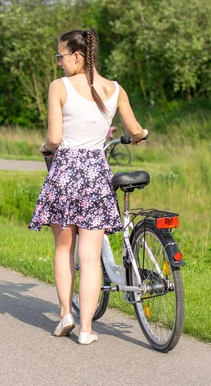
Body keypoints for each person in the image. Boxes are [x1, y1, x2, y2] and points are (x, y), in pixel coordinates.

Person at [28, 29, 148, 345]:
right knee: (92, 258)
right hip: (96, 173)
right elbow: (134, 130)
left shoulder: (60, 87)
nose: (58, 63)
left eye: (60, 56)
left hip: (65, 172)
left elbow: (54, 139)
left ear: (77, 56)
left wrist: (44, 147)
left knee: (64, 248)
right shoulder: (116, 89)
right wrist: (140, 134)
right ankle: (86, 330)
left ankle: (65, 314)